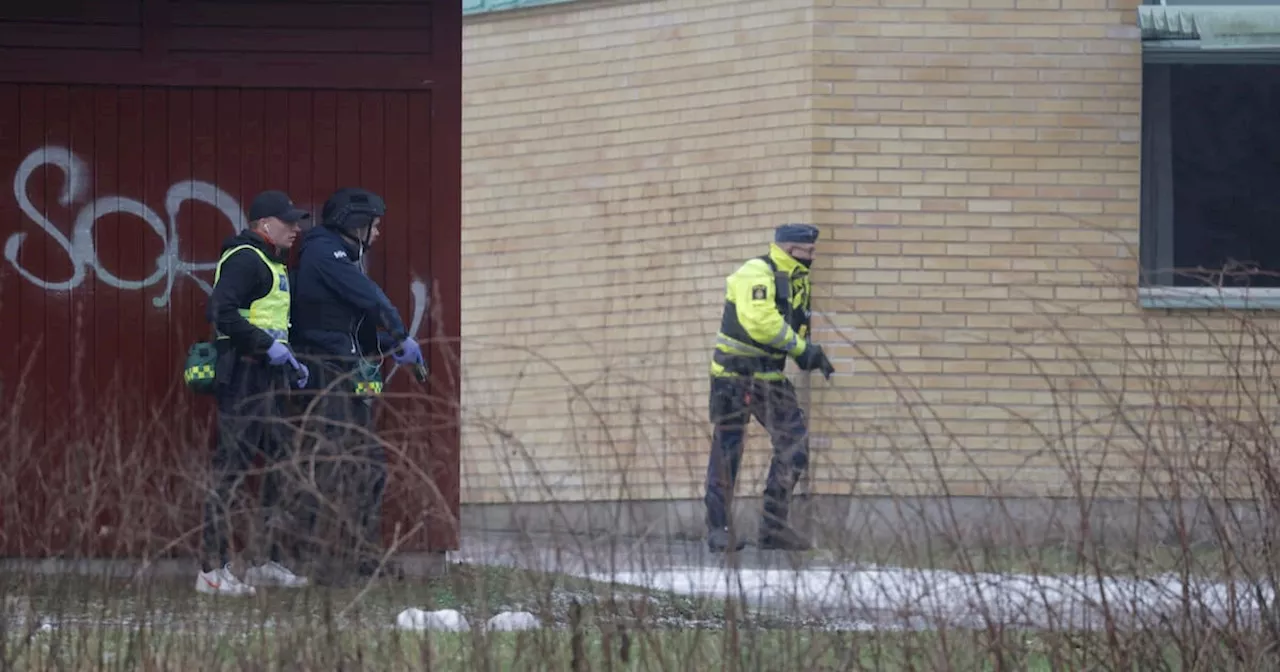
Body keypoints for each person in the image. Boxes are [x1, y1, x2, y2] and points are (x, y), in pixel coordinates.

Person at [288, 186, 424, 584]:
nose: (378, 233)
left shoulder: (342, 257)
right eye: (374, 225)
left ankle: (363, 556)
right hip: (325, 372)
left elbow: (350, 329)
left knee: (367, 467)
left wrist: (386, 345)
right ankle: (323, 560)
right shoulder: (323, 252)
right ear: (355, 223)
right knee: (333, 465)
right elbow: (371, 298)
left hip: (343, 368)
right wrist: (398, 331)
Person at [198, 190, 312, 596]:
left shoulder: (270, 261)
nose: (296, 229)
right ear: (265, 225)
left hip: (268, 378)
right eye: (289, 222)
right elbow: (220, 312)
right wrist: (267, 347)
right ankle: (211, 571)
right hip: (244, 377)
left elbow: (270, 322)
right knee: (230, 471)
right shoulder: (246, 258)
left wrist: (290, 361)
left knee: (281, 467)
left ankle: (266, 560)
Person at [703, 223, 836, 553]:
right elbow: (760, 322)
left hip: (770, 377)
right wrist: (801, 350)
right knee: (728, 450)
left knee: (794, 444)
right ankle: (718, 529)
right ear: (791, 250)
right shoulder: (756, 272)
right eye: (809, 251)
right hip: (734, 376)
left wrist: (809, 352)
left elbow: (794, 323)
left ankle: (773, 528)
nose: (813, 257)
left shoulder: (797, 281)